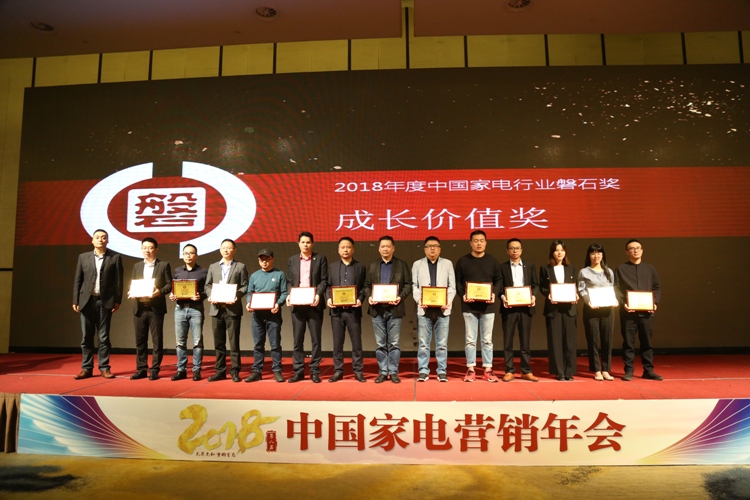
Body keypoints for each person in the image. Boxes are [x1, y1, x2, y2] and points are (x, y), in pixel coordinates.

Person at [72, 229, 123, 379]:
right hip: (86, 301)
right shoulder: (83, 257)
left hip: (105, 301)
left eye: (104, 237)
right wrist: (75, 300)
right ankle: (86, 368)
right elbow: (78, 280)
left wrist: (117, 300)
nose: (100, 240)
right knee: (86, 337)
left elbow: (118, 281)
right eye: (97, 237)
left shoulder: (115, 257)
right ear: (92, 240)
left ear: (108, 240)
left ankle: (104, 367)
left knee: (104, 337)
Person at [454, 230, 503, 383]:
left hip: (488, 307)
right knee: (470, 339)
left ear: (486, 243)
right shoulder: (463, 261)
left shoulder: (493, 261)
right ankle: (471, 369)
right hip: (469, 306)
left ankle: (488, 369)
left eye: (481, 240)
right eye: (476, 241)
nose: (479, 243)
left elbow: (499, 280)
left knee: (487, 340)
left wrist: (494, 293)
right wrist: (463, 295)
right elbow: (457, 281)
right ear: (471, 243)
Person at [364, 236, 412, 384]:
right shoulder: (372, 265)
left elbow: (408, 284)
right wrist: (370, 296)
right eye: (383, 246)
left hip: (395, 309)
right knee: (380, 344)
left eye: (388, 246)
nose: (385, 249)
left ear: (393, 248)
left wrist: (400, 297)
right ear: (379, 249)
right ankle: (383, 372)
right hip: (377, 310)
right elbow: (366, 285)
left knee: (394, 344)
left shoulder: (401, 265)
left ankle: (393, 371)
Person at [615, 239, 663, 381]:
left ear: (642, 250)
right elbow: (616, 289)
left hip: (647, 312)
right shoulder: (621, 269)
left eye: (638, 248)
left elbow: (657, 287)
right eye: (632, 248)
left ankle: (648, 370)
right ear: (627, 252)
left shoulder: (650, 269)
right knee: (628, 343)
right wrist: (623, 303)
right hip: (628, 312)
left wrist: (654, 302)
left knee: (647, 342)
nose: (635, 250)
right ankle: (628, 371)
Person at [412, 236, 456, 382]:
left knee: (442, 344)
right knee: (423, 344)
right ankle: (423, 370)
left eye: (435, 246)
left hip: (442, 309)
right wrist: (419, 300)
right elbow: (414, 286)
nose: (432, 248)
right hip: (424, 309)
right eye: (429, 246)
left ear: (440, 249)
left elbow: (452, 286)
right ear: (424, 249)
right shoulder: (417, 264)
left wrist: (448, 300)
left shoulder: (447, 264)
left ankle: (441, 371)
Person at [286, 231, 328, 383]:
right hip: (297, 305)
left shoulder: (320, 259)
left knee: (316, 339)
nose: (305, 245)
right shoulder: (292, 260)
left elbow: (324, 280)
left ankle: (315, 371)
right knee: (298, 340)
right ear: (298, 244)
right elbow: (290, 281)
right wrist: (289, 294)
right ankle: (298, 371)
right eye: (303, 242)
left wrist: (318, 294)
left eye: (308, 242)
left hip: (314, 304)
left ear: (312, 244)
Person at [205, 239, 248, 382]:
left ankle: (235, 371)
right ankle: (220, 371)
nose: (226, 250)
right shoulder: (213, 267)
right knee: (219, 343)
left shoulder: (240, 266)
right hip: (216, 310)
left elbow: (245, 286)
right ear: (220, 249)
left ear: (234, 250)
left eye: (229, 248)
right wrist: (211, 295)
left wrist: (236, 296)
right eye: (224, 247)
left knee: (234, 343)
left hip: (232, 309)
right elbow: (207, 285)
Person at [129, 237, 172, 381]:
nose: (147, 250)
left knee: (156, 340)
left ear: (156, 249)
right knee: (140, 340)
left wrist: (159, 292)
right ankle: (141, 369)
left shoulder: (163, 265)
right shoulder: (137, 266)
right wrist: (131, 292)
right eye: (144, 248)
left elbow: (169, 285)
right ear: (141, 249)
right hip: (139, 308)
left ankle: (154, 369)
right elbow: (134, 284)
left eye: (150, 248)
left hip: (155, 308)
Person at [326, 237, 367, 383]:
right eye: (342, 247)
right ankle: (338, 370)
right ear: (338, 250)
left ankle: (358, 371)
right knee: (337, 344)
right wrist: (328, 298)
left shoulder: (360, 267)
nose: (345, 250)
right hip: (336, 312)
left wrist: (360, 299)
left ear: (353, 249)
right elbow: (327, 286)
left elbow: (364, 287)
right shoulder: (332, 267)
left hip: (353, 311)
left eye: (348, 247)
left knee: (356, 343)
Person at [499, 238, 539, 382]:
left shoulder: (529, 266)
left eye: (517, 248)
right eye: (512, 248)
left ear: (521, 250)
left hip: (525, 308)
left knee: (525, 341)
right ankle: (509, 370)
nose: (514, 250)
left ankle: (526, 370)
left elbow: (535, 284)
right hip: (509, 308)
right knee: (508, 341)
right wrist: (503, 297)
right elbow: (499, 287)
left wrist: (533, 296)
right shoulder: (502, 267)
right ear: (507, 251)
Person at [245, 249, 288, 383]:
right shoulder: (254, 276)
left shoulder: (279, 274)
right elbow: (249, 293)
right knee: (258, 344)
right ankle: (257, 371)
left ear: (272, 259)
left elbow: (284, 293)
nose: (264, 262)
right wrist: (248, 303)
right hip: (257, 315)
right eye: (261, 259)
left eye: (267, 259)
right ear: (258, 260)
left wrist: (278, 304)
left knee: (275, 344)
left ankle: (277, 371)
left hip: (273, 314)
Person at [539, 240, 578, 381]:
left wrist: (576, 294)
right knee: (555, 341)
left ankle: (569, 371)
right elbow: (542, 287)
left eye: (562, 250)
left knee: (569, 341)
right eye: (556, 250)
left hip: (569, 308)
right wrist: (548, 294)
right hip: (553, 308)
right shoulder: (545, 268)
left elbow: (575, 286)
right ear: (552, 253)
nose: (559, 253)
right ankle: (559, 371)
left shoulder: (571, 267)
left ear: (565, 252)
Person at [577, 243, 617, 382]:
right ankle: (596, 370)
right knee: (593, 340)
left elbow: (612, 288)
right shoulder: (584, 272)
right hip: (591, 310)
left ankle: (605, 369)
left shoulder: (609, 271)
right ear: (589, 255)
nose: (596, 256)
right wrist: (588, 301)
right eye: (593, 253)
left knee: (607, 340)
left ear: (602, 255)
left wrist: (614, 300)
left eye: (599, 253)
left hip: (608, 310)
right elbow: (581, 289)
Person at [169, 243, 207, 381]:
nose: (188, 256)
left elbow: (207, 290)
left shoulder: (203, 272)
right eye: (186, 253)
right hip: (180, 309)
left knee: (197, 341)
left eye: (191, 253)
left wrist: (200, 296)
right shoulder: (178, 271)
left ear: (196, 255)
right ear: (183, 256)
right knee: (180, 342)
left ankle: (196, 370)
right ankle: (181, 370)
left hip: (196, 309)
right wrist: (172, 295)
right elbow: (174, 288)